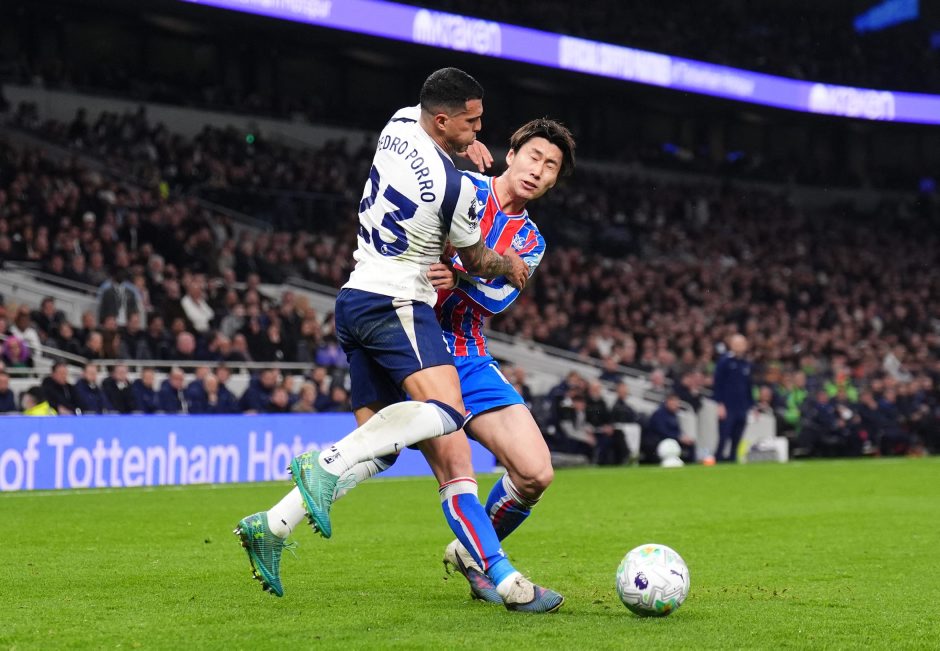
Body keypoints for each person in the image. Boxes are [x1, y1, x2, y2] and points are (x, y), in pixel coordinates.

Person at [234, 68, 556, 612]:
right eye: (534, 156)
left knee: (532, 471)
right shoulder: (464, 189)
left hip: (455, 345)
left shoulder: (526, 232)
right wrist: (482, 265)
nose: (538, 170)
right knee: (453, 459)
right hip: (409, 322)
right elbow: (481, 261)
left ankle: (273, 524)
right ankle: (498, 575)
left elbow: (492, 299)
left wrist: (462, 275)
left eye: (550, 168)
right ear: (512, 154)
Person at [712, 334, 754, 462]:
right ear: (731, 345)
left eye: (742, 344)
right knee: (724, 436)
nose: (739, 346)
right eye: (736, 343)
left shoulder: (746, 363)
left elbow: (749, 386)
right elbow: (718, 383)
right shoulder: (724, 361)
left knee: (737, 437)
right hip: (728, 406)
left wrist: (752, 406)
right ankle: (718, 459)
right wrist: (720, 404)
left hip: (742, 406)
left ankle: (733, 459)